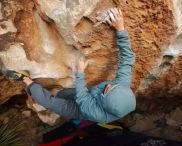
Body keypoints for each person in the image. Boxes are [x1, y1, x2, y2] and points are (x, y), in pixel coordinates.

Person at [4, 8, 136, 123]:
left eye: (108, 90)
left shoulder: (97, 113)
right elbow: (127, 59)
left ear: (104, 101)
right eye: (114, 85)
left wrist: (80, 72)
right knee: (64, 93)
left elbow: (82, 96)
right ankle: (58, 92)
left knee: (49, 102)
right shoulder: (121, 86)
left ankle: (26, 80)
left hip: (80, 110)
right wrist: (121, 29)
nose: (109, 84)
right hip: (91, 96)